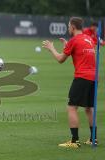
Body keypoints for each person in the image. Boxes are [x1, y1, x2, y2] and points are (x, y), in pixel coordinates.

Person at [42, 17, 97, 148]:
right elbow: (80, 52)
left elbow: (60, 59)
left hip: (81, 77)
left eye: (68, 26)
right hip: (93, 77)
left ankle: (74, 141)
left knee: (72, 107)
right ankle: (93, 139)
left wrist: (51, 49)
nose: (68, 28)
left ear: (72, 27)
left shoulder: (74, 40)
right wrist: (68, 45)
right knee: (89, 108)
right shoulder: (88, 39)